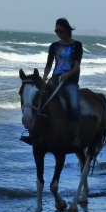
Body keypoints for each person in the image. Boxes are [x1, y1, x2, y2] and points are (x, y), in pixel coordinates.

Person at [42, 18, 83, 148]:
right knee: (40, 100)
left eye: (61, 31)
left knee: (74, 105)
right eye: (57, 31)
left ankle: (75, 137)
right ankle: (37, 132)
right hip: (55, 79)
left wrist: (68, 74)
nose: (59, 33)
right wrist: (44, 77)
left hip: (70, 81)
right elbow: (49, 65)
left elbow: (77, 66)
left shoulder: (77, 45)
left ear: (68, 30)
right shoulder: (54, 46)